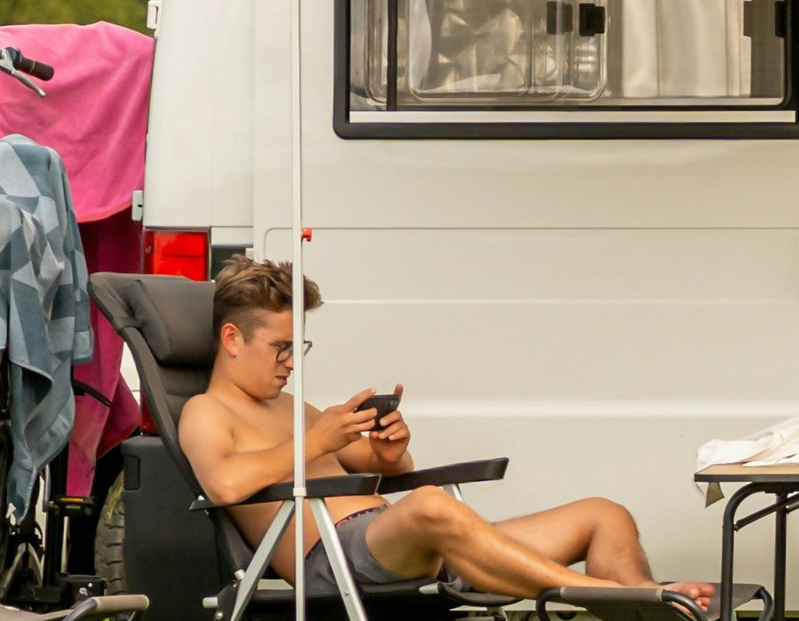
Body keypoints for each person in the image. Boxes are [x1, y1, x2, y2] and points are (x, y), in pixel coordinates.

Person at [175, 255, 676, 603]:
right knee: (432, 503)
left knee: (603, 514)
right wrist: (316, 441)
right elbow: (224, 484)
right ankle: (601, 595)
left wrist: (390, 453)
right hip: (331, 563)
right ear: (233, 338)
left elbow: (378, 471)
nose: (290, 362)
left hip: (403, 544)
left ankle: (638, 600)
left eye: (297, 348)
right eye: (281, 347)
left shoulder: (291, 407)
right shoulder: (206, 412)